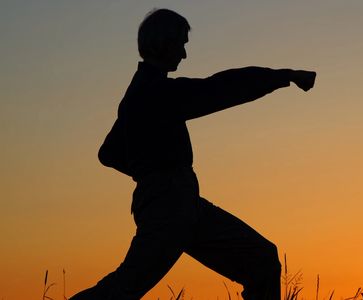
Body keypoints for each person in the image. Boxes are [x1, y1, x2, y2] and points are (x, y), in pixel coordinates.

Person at [70, 8, 316, 300]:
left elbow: (108, 153)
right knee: (124, 287)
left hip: (180, 202)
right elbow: (222, 88)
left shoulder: (139, 93)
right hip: (168, 205)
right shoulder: (155, 93)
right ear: (165, 42)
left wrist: (148, 169)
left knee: (262, 260)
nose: (184, 55)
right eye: (182, 44)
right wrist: (284, 76)